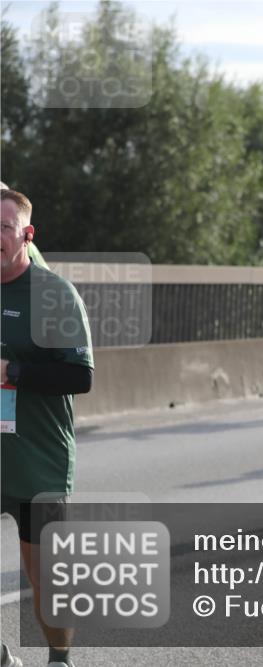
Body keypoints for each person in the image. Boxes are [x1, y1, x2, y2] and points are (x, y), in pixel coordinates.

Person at [1, 189, 94, 667]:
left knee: (49, 580)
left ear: (26, 235)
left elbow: (81, 376)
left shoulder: (53, 293)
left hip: (38, 462)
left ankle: (59, 659)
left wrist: (14, 373)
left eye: (4, 227)